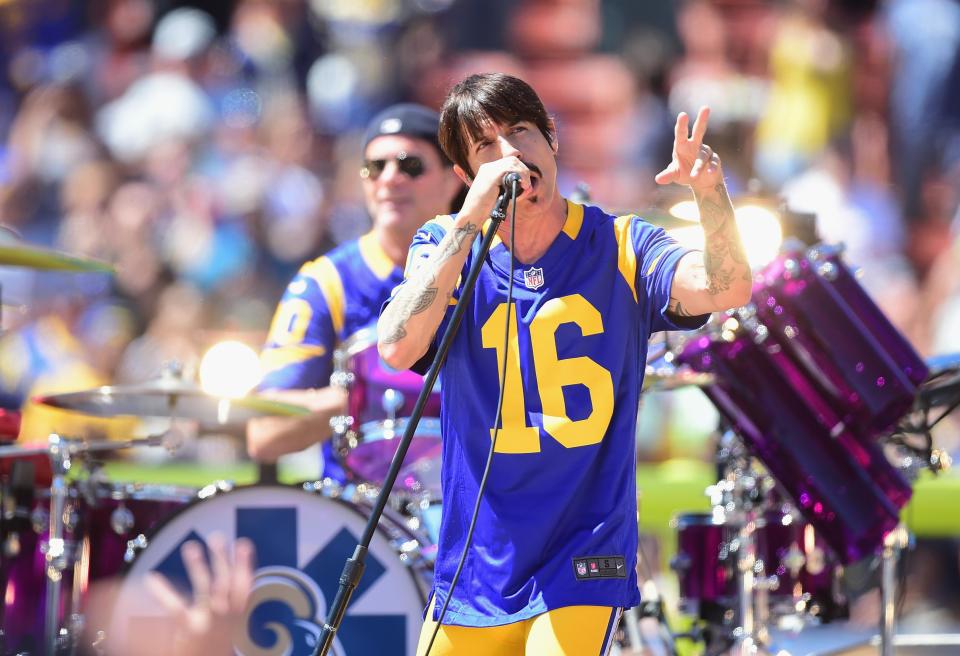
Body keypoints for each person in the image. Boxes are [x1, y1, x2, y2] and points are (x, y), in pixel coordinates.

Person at [378, 73, 751, 654]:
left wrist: (709, 194)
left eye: (521, 132)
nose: (510, 154)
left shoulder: (622, 244)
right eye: (485, 146)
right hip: (480, 555)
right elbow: (396, 346)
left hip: (584, 549)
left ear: (552, 139)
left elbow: (725, 288)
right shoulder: (445, 245)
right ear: (464, 176)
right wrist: (468, 221)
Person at [247, 103, 465, 468]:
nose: (390, 178)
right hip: (359, 512)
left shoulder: (491, 268)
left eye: (410, 165)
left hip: (471, 502)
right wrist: (367, 390)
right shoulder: (326, 282)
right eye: (375, 167)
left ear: (453, 178)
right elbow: (264, 433)